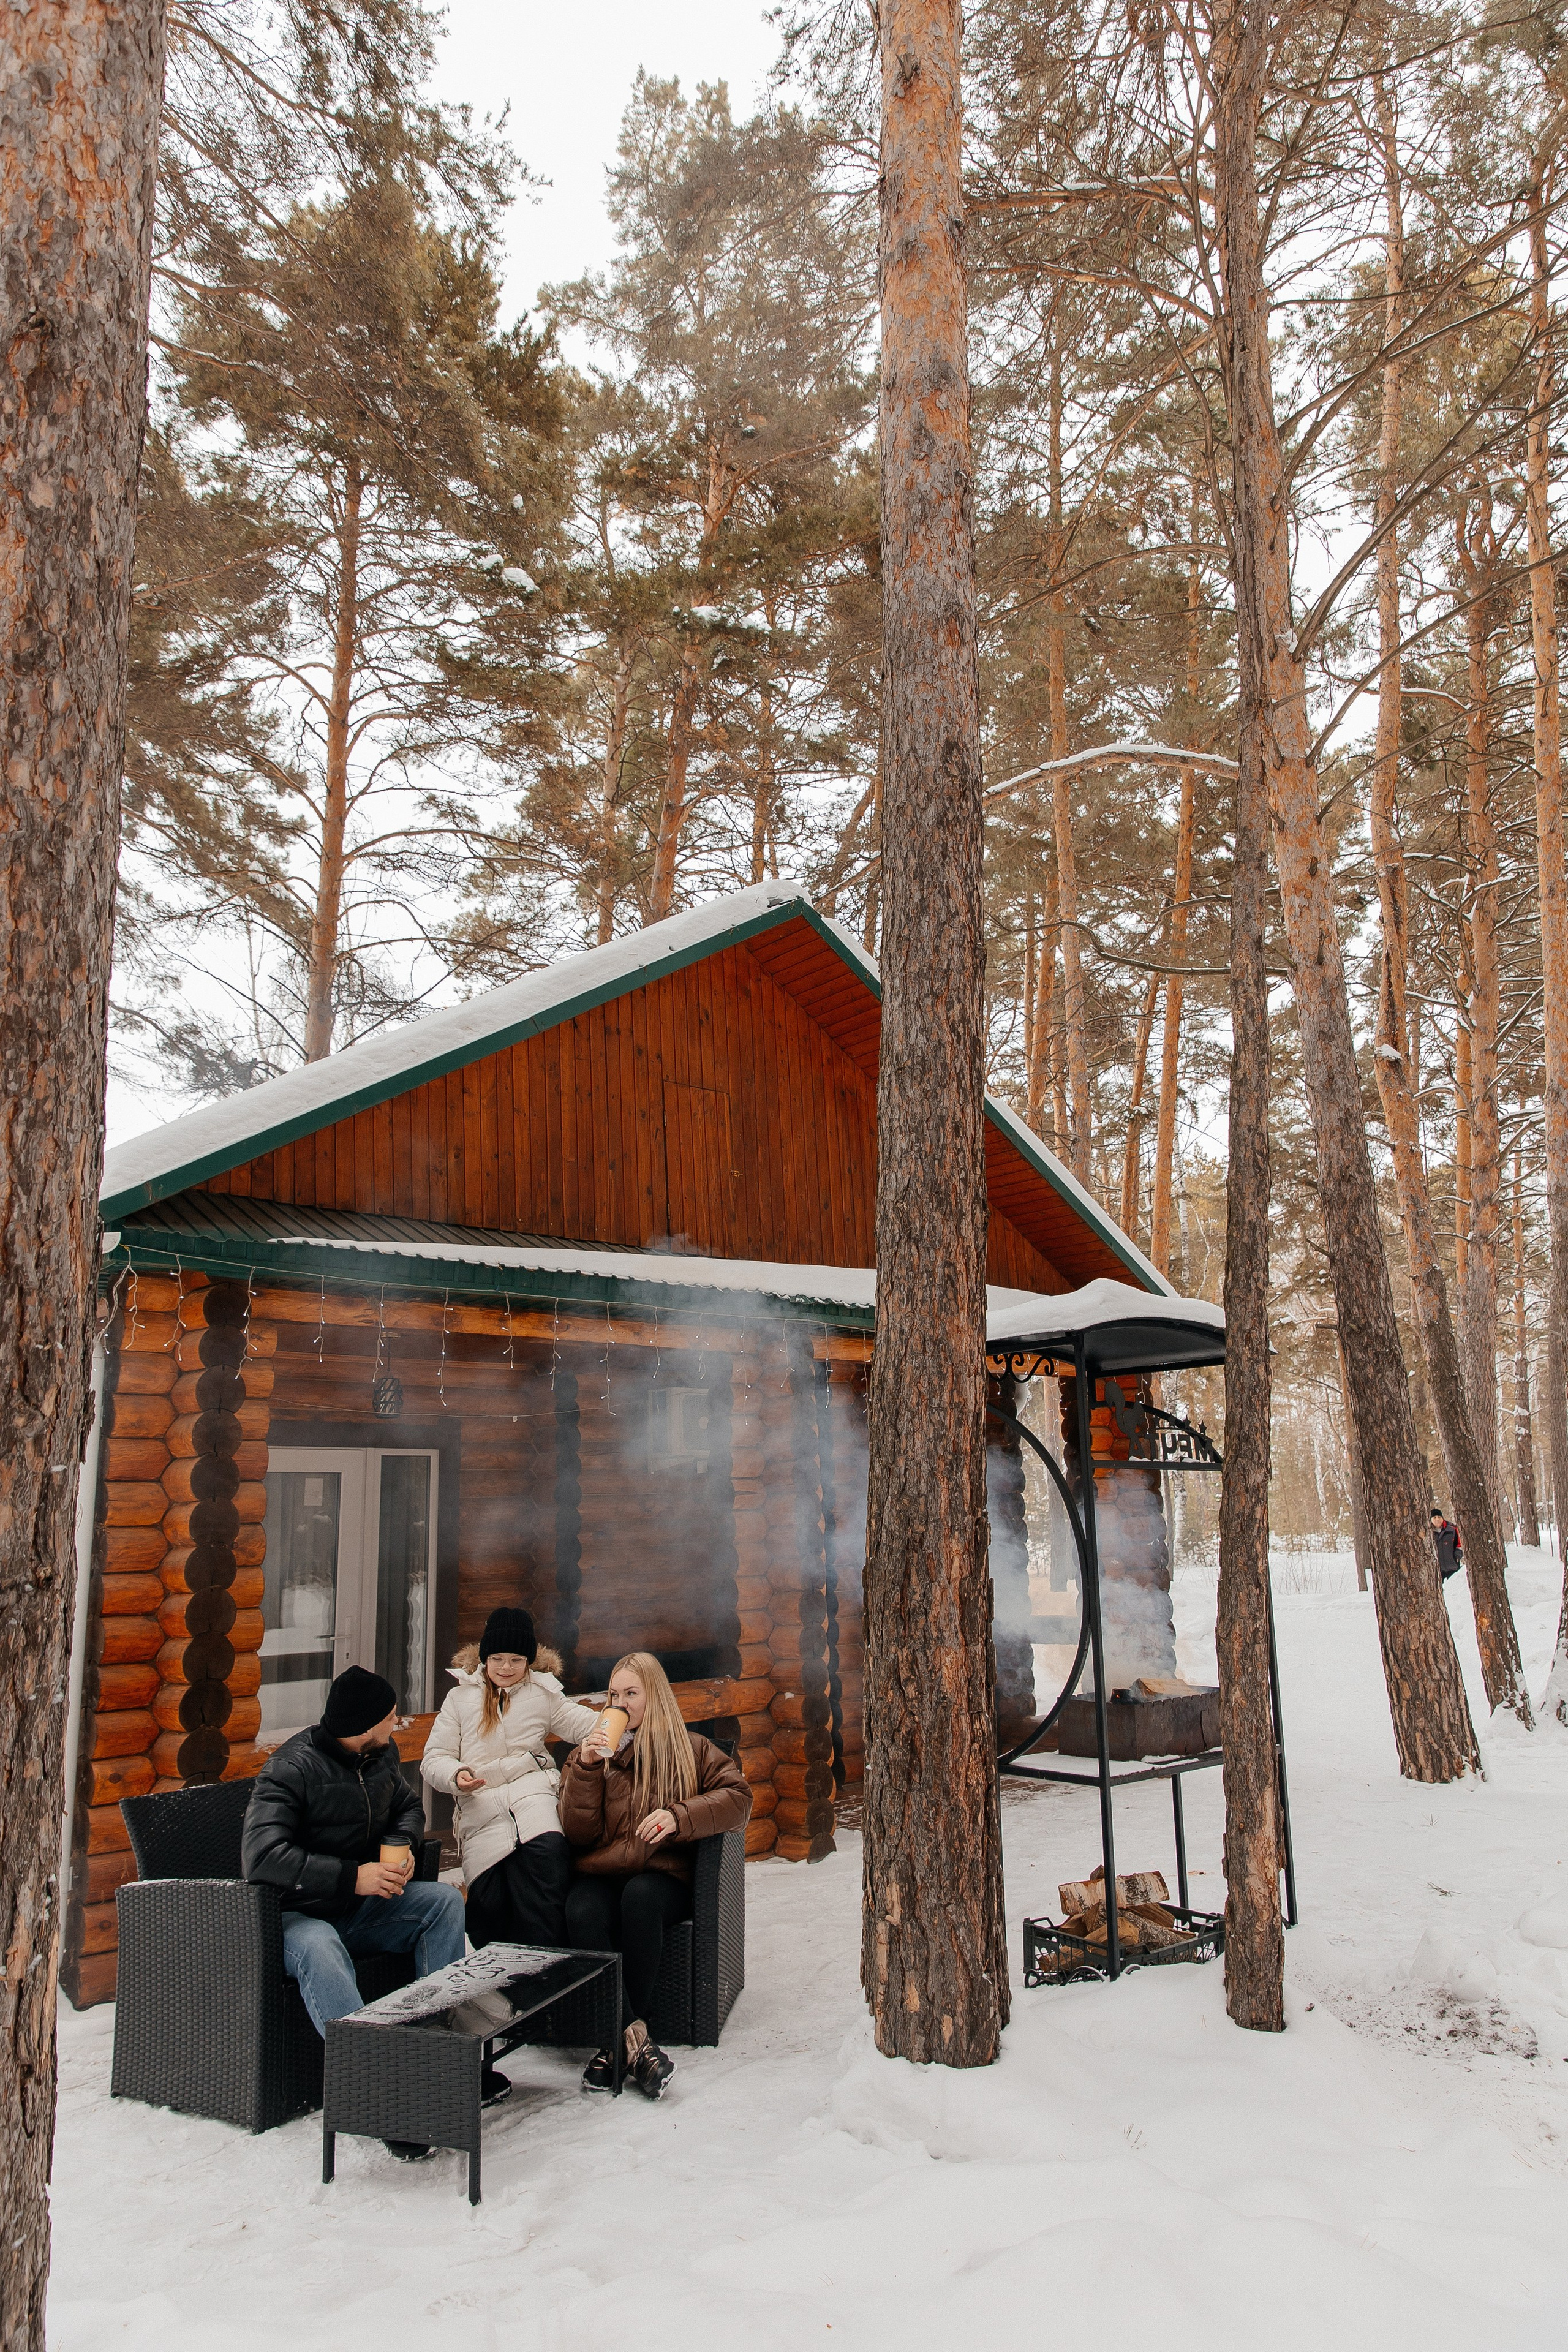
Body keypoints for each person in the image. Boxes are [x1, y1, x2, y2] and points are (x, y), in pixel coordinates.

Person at [242, 1664, 467, 2158]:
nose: (397, 1725)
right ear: (364, 1725)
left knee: (443, 1902)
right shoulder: (290, 1769)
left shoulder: (379, 1756)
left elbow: (409, 1807)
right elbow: (261, 1858)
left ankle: (437, 2060)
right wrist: (352, 1875)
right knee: (321, 1947)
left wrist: (401, 1848)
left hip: (360, 1908)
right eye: (391, 1718)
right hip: (293, 1917)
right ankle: (379, 2095)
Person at [559, 1650, 751, 2101]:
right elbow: (577, 1832)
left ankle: (613, 2046)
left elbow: (738, 1798)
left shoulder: (690, 1748)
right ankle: (634, 2045)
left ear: (654, 1697)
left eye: (631, 1693)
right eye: (613, 1694)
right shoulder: (590, 1755)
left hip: (661, 1876)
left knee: (641, 1897)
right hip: (604, 1871)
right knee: (581, 1908)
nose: (621, 1703)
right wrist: (586, 1770)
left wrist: (678, 1815)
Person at [420, 1608, 602, 1958]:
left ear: (529, 1661)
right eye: (498, 1658)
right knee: (488, 1909)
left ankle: (551, 1977)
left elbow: (585, 1724)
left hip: (533, 1796)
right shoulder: (460, 1699)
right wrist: (456, 1775)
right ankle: (506, 1985)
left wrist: (618, 1726)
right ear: (485, 1658)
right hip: (480, 1805)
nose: (506, 1667)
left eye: (517, 1659)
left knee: (546, 1867)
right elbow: (434, 1758)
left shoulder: (543, 1693)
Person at [1431, 1506, 1464, 1582]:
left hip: (1453, 1567)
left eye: (1439, 1517)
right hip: (1437, 1569)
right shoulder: (1428, 1532)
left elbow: (1460, 1544)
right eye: (1435, 1518)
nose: (1437, 1519)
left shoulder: (1452, 1529)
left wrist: (1457, 1557)